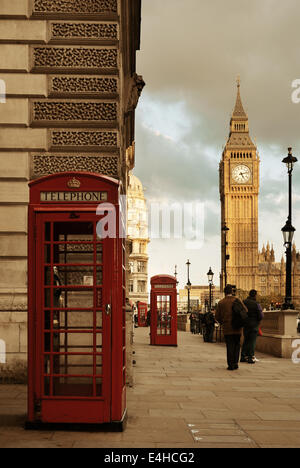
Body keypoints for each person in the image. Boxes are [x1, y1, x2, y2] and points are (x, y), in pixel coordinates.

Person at [215, 284, 248, 371]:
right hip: (237, 327)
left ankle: (230, 364)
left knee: (229, 346)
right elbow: (245, 311)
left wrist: (223, 322)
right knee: (237, 345)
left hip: (227, 328)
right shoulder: (237, 300)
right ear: (232, 292)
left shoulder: (221, 302)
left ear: (225, 292)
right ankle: (235, 363)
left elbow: (217, 316)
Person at [241, 290, 264, 364]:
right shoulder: (256, 304)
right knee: (252, 341)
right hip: (254, 324)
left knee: (246, 340)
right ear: (255, 295)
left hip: (246, 324)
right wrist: (258, 320)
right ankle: (250, 357)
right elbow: (261, 315)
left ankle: (243, 356)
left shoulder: (244, 302)